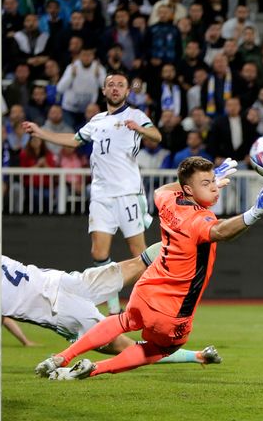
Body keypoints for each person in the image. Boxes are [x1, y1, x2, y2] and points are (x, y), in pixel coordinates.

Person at [34, 156, 263, 380]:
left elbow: (162, 190)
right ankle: (96, 369)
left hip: (146, 290)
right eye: (207, 183)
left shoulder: (168, 201)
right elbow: (220, 231)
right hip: (172, 310)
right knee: (163, 348)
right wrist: (253, 213)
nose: (215, 187)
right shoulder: (198, 220)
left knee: (124, 320)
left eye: (214, 181)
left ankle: (63, 356)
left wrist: (200, 182)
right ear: (189, 190)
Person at [0, 233, 220, 368]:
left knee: (122, 348)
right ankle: (175, 246)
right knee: (126, 267)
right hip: (60, 280)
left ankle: (195, 356)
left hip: (57, 309)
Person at [23, 71, 163, 315]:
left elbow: (156, 136)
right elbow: (74, 140)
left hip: (127, 194)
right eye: (111, 85)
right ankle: (113, 308)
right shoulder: (96, 120)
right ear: (104, 91)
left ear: (127, 91)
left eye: (120, 85)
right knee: (99, 253)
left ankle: (153, 301)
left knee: (139, 253)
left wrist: (140, 128)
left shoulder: (135, 115)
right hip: (100, 194)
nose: (116, 88)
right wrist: (41, 132)